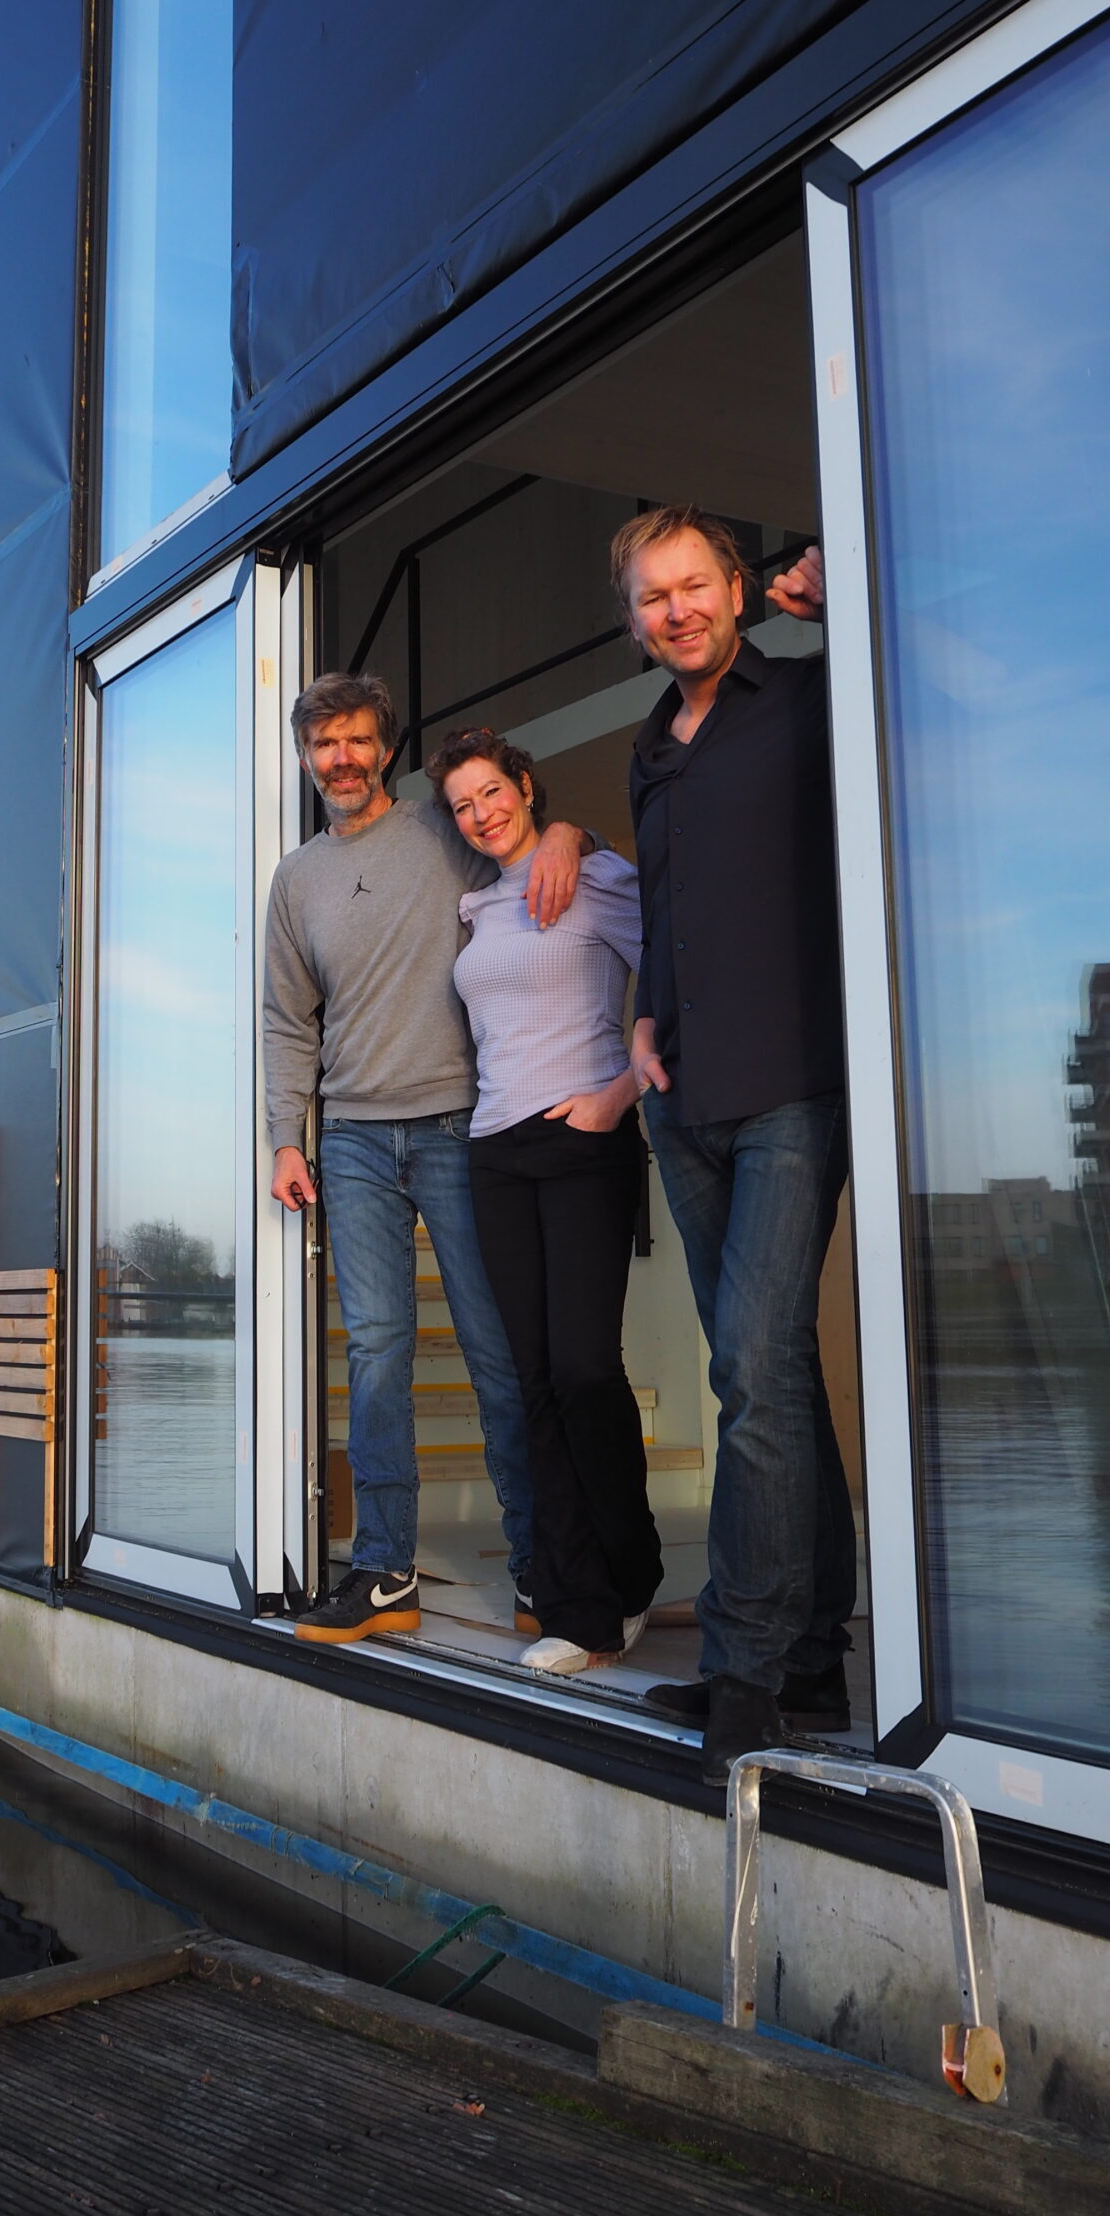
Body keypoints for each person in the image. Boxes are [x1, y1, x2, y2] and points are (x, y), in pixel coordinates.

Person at [263, 672, 591, 1645]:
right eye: (325, 744)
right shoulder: (296, 880)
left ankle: (540, 1566)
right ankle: (383, 1571)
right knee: (376, 1356)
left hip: (461, 1126)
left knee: (497, 1357)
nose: (343, 759)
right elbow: (289, 1019)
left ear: (384, 747)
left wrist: (569, 832)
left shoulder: (445, 835)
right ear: (306, 757)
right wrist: (287, 1133)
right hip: (354, 1140)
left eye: (359, 740)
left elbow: (539, 852)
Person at [615, 504, 855, 1784]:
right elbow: (667, 908)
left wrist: (851, 595)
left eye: (692, 584)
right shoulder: (654, 746)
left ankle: (747, 1670)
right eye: (652, 598)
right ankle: (810, 1649)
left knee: (752, 1375)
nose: (676, 611)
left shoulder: (814, 695)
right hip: (687, 1095)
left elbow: (934, 680)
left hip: (794, 1084)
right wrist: (644, 1018)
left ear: (738, 588)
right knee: (773, 1374)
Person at [428, 724, 663, 1676]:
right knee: (530, 1383)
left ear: (526, 786)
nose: (480, 815)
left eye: (492, 792)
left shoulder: (597, 878)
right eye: (462, 806)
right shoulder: (475, 908)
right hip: (494, 1151)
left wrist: (619, 1095)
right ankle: (584, 1610)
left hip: (582, 1141)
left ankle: (632, 1576)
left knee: (583, 1371)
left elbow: (680, 972)